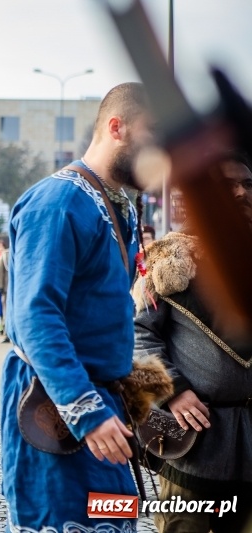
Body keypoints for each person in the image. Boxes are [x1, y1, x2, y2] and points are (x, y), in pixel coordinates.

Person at [1, 82, 154, 530]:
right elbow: (34, 316)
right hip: (55, 404)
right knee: (63, 521)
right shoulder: (59, 201)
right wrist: (85, 410)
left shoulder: (117, 205)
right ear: (117, 127)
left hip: (104, 403)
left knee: (114, 515)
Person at [133, 153, 252, 532]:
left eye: (248, 185)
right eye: (226, 185)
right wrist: (173, 392)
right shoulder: (169, 258)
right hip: (196, 445)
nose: (238, 193)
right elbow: (136, 336)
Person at [0, 239, 10, 344]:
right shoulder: (6, 255)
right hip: (7, 288)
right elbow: (0, 272)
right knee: (6, 311)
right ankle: (7, 333)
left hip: (21, 289)